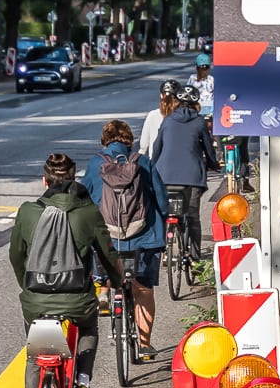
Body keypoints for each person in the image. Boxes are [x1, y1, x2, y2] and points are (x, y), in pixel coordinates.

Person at [9, 152, 122, 388]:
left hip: (37, 301)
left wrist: (30, 287)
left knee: (37, 356)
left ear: (44, 180)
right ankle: (82, 383)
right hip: (77, 300)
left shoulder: (28, 212)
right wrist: (117, 281)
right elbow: (107, 255)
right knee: (88, 329)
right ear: (73, 180)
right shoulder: (87, 212)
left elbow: (16, 256)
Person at [82, 121, 168, 360]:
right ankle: (144, 343)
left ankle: (104, 290)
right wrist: (165, 221)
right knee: (143, 290)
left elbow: (84, 198)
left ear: (105, 140)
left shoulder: (95, 164)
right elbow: (160, 199)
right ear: (129, 139)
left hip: (108, 239)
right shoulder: (142, 162)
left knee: (106, 267)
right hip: (145, 239)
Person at [151, 84, 220, 258]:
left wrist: (152, 167)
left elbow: (157, 147)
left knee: (168, 213)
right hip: (192, 178)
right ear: (196, 105)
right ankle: (195, 258)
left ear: (177, 103)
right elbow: (208, 149)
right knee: (192, 217)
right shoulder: (199, 122)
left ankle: (163, 250)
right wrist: (214, 164)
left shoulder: (167, 120)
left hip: (165, 176)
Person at [138, 79, 181, 159]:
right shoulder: (182, 116)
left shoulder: (152, 115)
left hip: (156, 163)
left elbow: (144, 145)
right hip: (177, 162)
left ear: (161, 95)